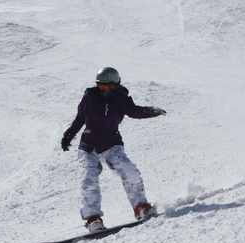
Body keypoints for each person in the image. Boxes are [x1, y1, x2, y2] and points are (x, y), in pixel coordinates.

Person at [61, 67, 167, 233]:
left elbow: (135, 111)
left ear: (117, 85)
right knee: (88, 179)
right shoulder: (89, 98)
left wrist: (150, 111)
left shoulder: (121, 99)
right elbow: (80, 119)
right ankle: (93, 219)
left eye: (109, 87)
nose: (105, 90)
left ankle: (141, 207)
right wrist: (68, 136)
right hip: (88, 146)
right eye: (102, 86)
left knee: (130, 171)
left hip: (110, 144)